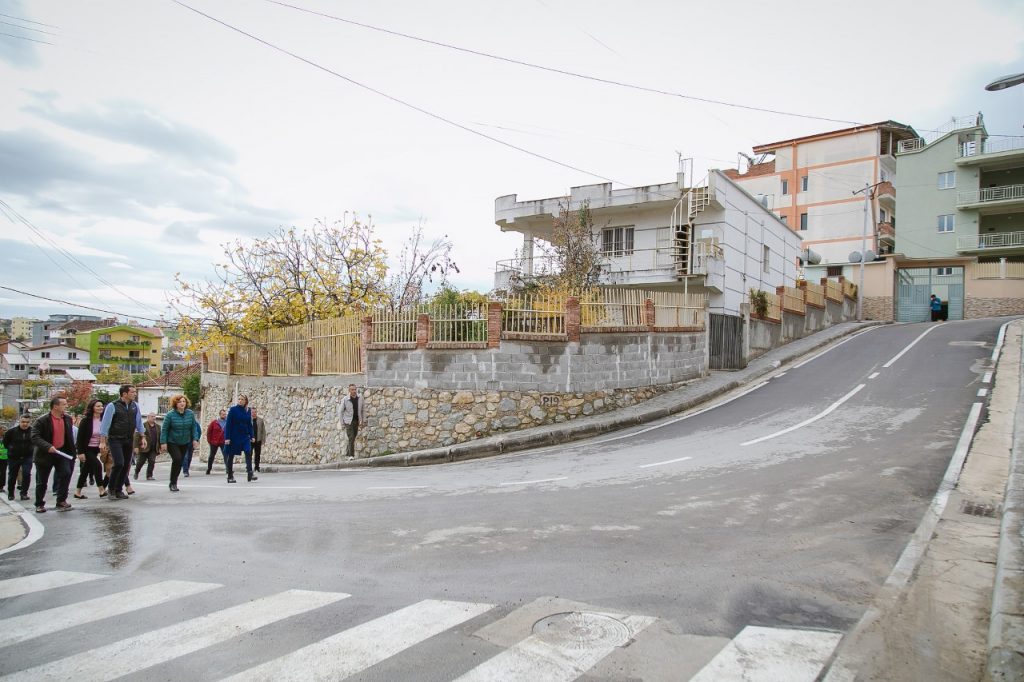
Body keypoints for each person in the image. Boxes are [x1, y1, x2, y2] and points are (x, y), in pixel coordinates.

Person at [30, 396, 76, 513]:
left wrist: (73, 453)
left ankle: (61, 500)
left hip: (61, 452)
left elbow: (69, 437)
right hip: (45, 454)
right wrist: (47, 446)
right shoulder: (42, 420)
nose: (66, 406)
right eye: (64, 404)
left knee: (66, 473)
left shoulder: (67, 419)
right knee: (42, 480)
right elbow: (35, 437)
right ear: (55, 406)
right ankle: (39, 504)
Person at [99, 384, 144, 501]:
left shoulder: (135, 406)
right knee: (119, 463)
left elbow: (139, 422)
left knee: (126, 465)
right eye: (132, 392)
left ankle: (119, 489)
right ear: (124, 394)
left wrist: (142, 437)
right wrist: (102, 441)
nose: (135, 394)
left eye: (135, 392)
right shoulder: (112, 406)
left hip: (128, 438)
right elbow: (105, 424)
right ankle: (111, 489)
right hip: (115, 438)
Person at [160, 394, 200, 492]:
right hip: (172, 441)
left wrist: (195, 439)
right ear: (175, 403)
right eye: (179, 402)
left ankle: (174, 481)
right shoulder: (170, 415)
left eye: (183, 401)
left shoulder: (190, 414)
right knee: (177, 459)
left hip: (185, 441)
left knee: (180, 462)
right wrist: (163, 442)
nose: (182, 403)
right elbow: (164, 429)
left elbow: (194, 427)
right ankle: (173, 483)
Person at [73, 399, 107, 500]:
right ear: (92, 408)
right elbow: (80, 438)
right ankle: (101, 490)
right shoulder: (86, 421)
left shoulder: (104, 419)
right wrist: (80, 452)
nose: (100, 408)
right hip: (87, 448)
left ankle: (78, 492)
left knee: (85, 470)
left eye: (101, 406)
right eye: (98, 406)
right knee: (97, 466)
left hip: (97, 448)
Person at [223, 394, 256, 483]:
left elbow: (249, 424)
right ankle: (230, 475)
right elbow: (228, 424)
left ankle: (250, 472)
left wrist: (252, 435)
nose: (240, 401)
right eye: (239, 399)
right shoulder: (233, 410)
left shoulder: (248, 410)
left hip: (245, 436)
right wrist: (227, 438)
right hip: (234, 436)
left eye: (242, 399)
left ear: (246, 401)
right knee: (231, 455)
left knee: (248, 451)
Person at [4, 414, 33, 501]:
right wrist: (11, 449)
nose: (25, 424)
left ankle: (24, 493)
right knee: (12, 475)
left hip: (27, 456)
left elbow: (36, 441)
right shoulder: (11, 432)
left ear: (30, 422)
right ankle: (11, 493)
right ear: (19, 421)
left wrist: (32, 449)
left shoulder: (33, 431)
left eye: (27, 422)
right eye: (23, 422)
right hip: (14, 457)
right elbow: (6, 443)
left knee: (27, 474)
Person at [341, 383, 366, 461]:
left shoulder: (360, 398)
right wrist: (342, 423)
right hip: (348, 421)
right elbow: (340, 412)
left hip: (356, 420)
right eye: (352, 390)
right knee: (351, 437)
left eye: (355, 389)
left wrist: (363, 420)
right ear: (349, 390)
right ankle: (351, 455)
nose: (354, 391)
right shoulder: (345, 399)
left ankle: (347, 453)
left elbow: (363, 410)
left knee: (353, 437)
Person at [135, 413, 160, 481]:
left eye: (154, 416)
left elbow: (159, 437)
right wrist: (136, 447)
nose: (154, 418)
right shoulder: (143, 425)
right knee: (141, 462)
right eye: (152, 416)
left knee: (152, 461)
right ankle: (136, 471)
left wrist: (161, 446)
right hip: (144, 447)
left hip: (153, 448)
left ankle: (149, 475)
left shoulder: (158, 427)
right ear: (148, 417)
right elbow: (136, 436)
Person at [205, 409, 226, 475]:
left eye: (225, 414)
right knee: (211, 455)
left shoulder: (227, 422)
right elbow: (209, 432)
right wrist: (209, 441)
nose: (224, 415)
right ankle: (209, 469)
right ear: (220, 414)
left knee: (226, 455)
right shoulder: (214, 422)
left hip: (223, 441)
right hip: (214, 442)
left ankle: (228, 469)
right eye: (223, 414)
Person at [251, 407, 266, 472]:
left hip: (258, 440)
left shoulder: (260, 420)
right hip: (250, 440)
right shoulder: (248, 420)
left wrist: (263, 440)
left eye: (255, 412)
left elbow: (263, 431)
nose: (254, 413)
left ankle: (257, 467)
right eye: (252, 412)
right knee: (249, 454)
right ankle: (249, 467)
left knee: (257, 454)